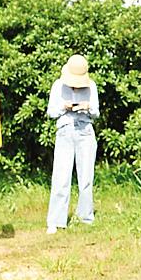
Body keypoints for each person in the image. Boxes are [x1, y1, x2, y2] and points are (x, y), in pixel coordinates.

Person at [46, 54, 100, 234]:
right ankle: (55, 221)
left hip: (85, 131)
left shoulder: (91, 86)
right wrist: (64, 106)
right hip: (65, 131)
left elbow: (96, 112)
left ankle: (86, 217)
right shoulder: (57, 86)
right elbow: (51, 112)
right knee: (61, 177)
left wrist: (87, 107)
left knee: (86, 177)